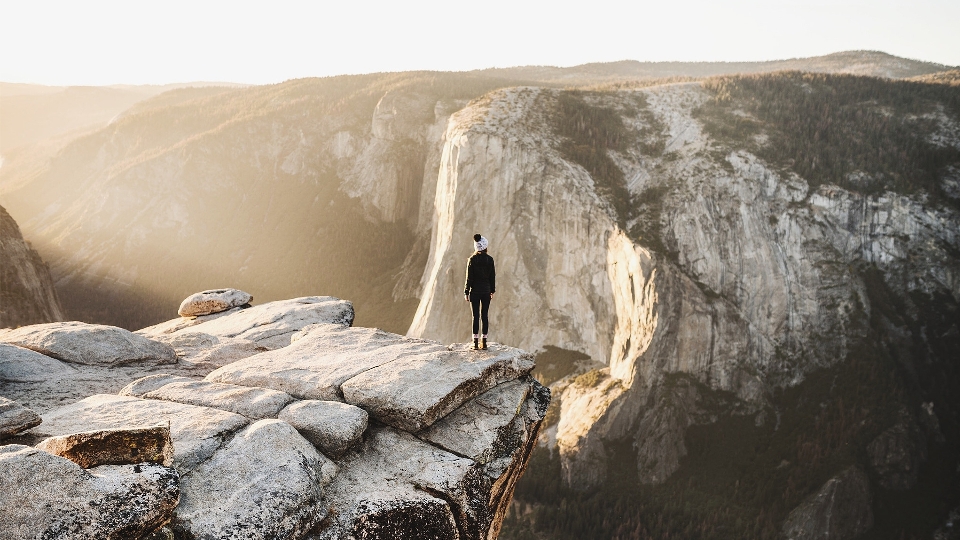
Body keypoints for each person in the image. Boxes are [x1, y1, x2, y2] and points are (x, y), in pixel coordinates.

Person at [464, 233, 495, 350]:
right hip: (486, 291)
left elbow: (469, 278)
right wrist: (492, 290)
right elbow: (492, 277)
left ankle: (475, 343)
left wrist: (466, 292)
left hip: (475, 292)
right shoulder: (490, 260)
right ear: (485, 246)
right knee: (484, 316)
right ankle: (485, 342)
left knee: (475, 316)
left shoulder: (472, 260)